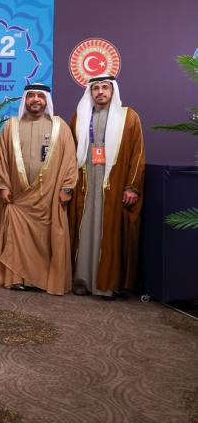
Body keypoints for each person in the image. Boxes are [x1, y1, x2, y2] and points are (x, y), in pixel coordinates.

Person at [0, 83, 77, 295]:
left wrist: (67, 187)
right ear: (25, 99)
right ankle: (16, 278)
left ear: (47, 100)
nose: (36, 99)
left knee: (47, 237)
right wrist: (3, 185)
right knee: (17, 236)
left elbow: (70, 160)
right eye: (31, 95)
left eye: (40, 95)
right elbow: (1, 159)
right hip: (18, 196)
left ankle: (45, 280)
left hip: (49, 196)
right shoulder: (11, 126)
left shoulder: (59, 126)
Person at [69, 75, 145, 299]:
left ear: (113, 91)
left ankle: (106, 284)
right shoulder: (80, 117)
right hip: (85, 186)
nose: (100, 91)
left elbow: (138, 155)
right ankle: (82, 279)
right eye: (96, 88)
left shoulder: (129, 117)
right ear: (90, 92)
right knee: (84, 230)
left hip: (114, 185)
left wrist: (132, 187)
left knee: (108, 232)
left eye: (105, 87)